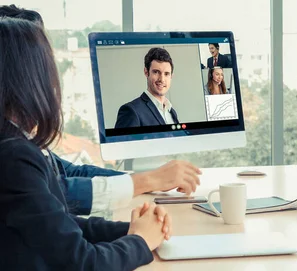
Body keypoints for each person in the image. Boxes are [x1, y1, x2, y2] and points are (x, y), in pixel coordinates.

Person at [0, 17, 170, 270]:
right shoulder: (14, 157)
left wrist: (133, 230)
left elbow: (63, 225)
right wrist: (140, 241)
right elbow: (83, 262)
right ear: (31, 77)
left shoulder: (15, 143)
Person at [0, 4, 201, 216]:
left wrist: (148, 180)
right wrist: (147, 181)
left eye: (167, 73)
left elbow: (73, 173)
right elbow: (57, 193)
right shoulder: (11, 151)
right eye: (42, 61)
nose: (50, 75)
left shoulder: (21, 137)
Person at [115, 47, 180, 128]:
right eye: (156, 72)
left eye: (166, 74)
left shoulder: (172, 112)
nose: (162, 79)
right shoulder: (131, 111)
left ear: (171, 76)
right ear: (146, 72)